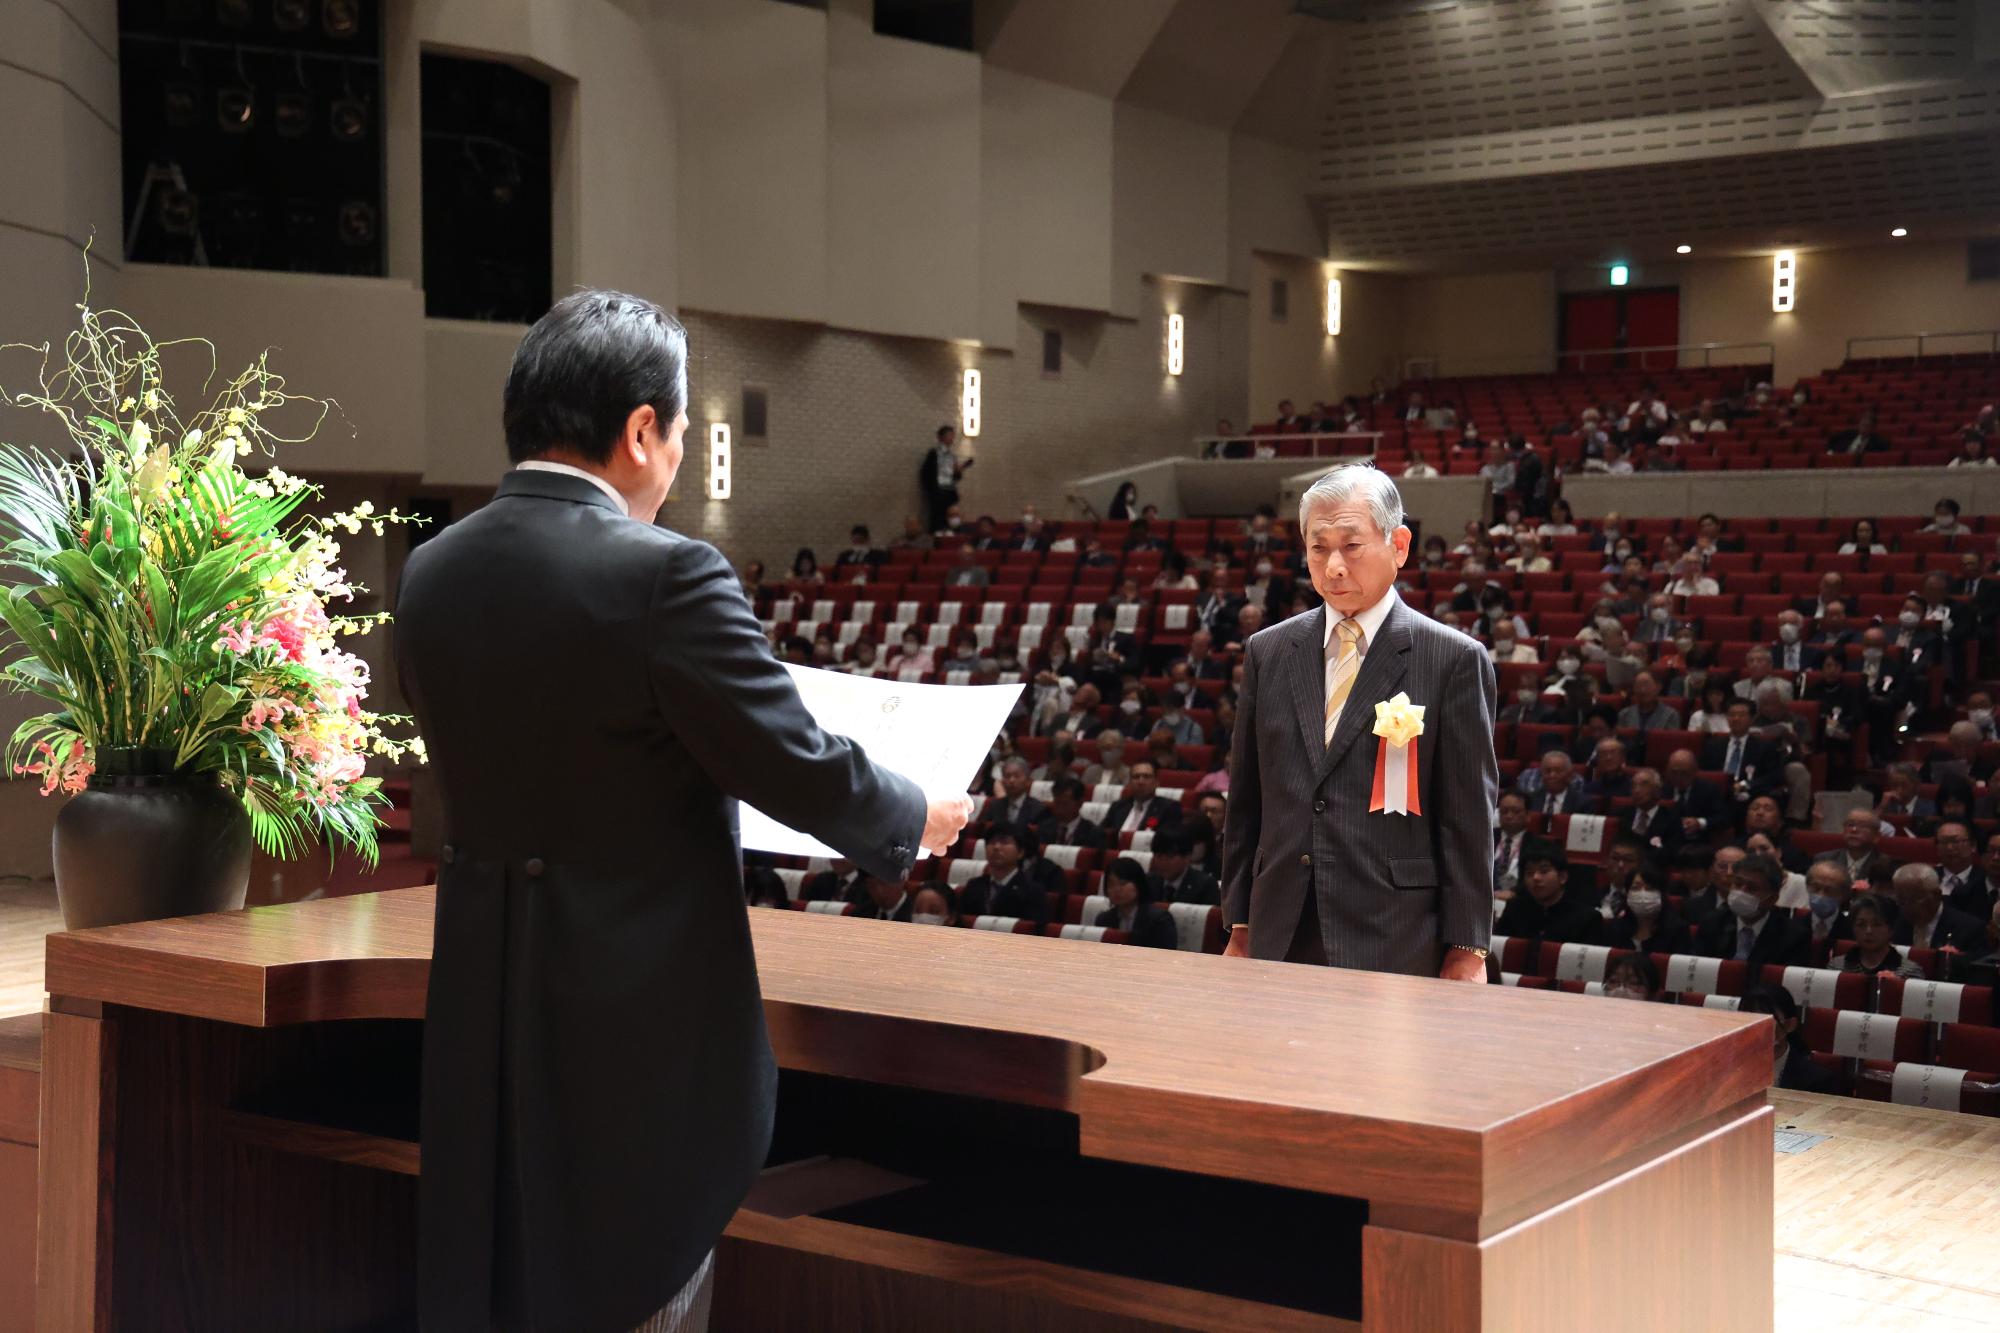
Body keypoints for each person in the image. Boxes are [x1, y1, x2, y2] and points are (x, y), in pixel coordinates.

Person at [393, 290, 971, 1333]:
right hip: (632, 1022)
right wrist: (912, 813)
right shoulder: (664, 574)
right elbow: (794, 762)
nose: (674, 463)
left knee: (506, 1277)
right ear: (640, 432)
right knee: (635, 1284)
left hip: (486, 1004)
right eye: (678, 436)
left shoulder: (431, 572)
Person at [1223, 465, 1496, 979]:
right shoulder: (1268, 651)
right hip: (1278, 924)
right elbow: (1247, 801)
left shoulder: (1453, 659)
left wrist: (1468, 947)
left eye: (1351, 546)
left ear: (1399, 545)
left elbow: (1467, 819)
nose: (1334, 567)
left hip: (1394, 930)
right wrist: (1238, 920)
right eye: (1318, 548)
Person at [1736, 986, 1839, 1093]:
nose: (1754, 1027)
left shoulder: (1817, 1081)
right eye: (1747, 1019)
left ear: (1790, 1025)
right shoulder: (1728, 1070)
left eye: (1764, 1019)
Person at [1495, 848, 1602, 946]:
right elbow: (1496, 948)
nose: (1536, 877)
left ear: (1562, 877)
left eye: (1544, 871)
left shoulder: (1586, 918)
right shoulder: (1514, 909)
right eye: (1529, 873)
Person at [957, 823, 1051, 924]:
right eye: (992, 842)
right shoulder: (974, 886)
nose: (996, 847)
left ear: (1020, 853)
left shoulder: (1033, 891)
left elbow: (1033, 928)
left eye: (1005, 842)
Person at [1889, 862, 1986, 953]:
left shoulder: (1969, 929)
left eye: (1915, 899)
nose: (1907, 907)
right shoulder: (1894, 923)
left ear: (1937, 895)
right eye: (1901, 900)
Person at [1605, 864, 1692, 955]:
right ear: (1627, 894)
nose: (1643, 894)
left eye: (1650, 888)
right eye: (1635, 888)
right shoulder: (1615, 928)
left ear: (1661, 894)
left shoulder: (1677, 930)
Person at [1096, 856, 1179, 949]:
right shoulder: (1103, 920)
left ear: (1138, 884)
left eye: (1122, 883)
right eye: (1111, 885)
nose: (1116, 889)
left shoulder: (1159, 920)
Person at [1839, 894, 1924, 978]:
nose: (1868, 931)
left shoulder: (1909, 972)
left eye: (1877, 924)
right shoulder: (1837, 967)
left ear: (1891, 929)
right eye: (1861, 924)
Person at [1814, 808, 1898, 894]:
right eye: (1850, 825)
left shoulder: (1886, 866)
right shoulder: (1824, 860)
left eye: (1863, 826)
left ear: (1876, 836)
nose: (1854, 830)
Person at [1104, 759, 1183, 836]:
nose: (1141, 782)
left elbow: (1166, 839)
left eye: (1146, 777)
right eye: (1136, 777)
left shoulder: (1169, 808)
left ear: (1156, 782)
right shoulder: (1118, 806)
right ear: (1130, 782)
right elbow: (1102, 833)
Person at [1149, 826, 1219, 905]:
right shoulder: (1149, 882)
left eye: (1170, 856)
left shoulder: (1205, 885)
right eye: (1159, 856)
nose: (1163, 862)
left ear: (1187, 857)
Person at [918, 424, 969, 533]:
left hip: (949, 492)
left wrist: (958, 472)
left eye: (952, 436)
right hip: (938, 492)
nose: (951, 438)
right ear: (940, 437)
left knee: (952, 518)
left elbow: (955, 478)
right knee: (938, 518)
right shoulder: (934, 453)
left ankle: (952, 535)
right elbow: (926, 474)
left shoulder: (952, 456)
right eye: (948, 435)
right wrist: (933, 490)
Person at [1038, 776, 1107, 850]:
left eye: (1065, 804)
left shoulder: (1094, 834)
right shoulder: (1044, 828)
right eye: (1057, 803)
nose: (1059, 809)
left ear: (1079, 803)